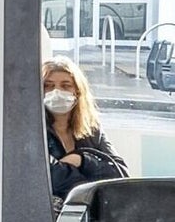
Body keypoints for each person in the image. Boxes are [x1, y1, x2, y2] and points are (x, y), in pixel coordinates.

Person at [44, 58, 128, 206]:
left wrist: (82, 159)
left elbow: (119, 172)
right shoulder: (33, 132)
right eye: (48, 86)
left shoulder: (92, 129)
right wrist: (92, 183)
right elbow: (50, 179)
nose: (57, 92)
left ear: (77, 91)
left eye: (66, 85)